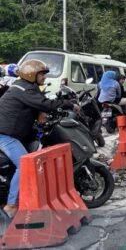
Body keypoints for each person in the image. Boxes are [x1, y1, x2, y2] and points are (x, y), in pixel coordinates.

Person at [0, 60, 79, 218]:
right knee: (24, 164)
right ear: (31, 74)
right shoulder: (23, 89)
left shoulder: (28, 87)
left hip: (14, 133)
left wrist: (41, 113)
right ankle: (11, 205)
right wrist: (69, 105)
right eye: (41, 74)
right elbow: (44, 103)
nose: (44, 77)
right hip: (5, 135)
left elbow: (40, 103)